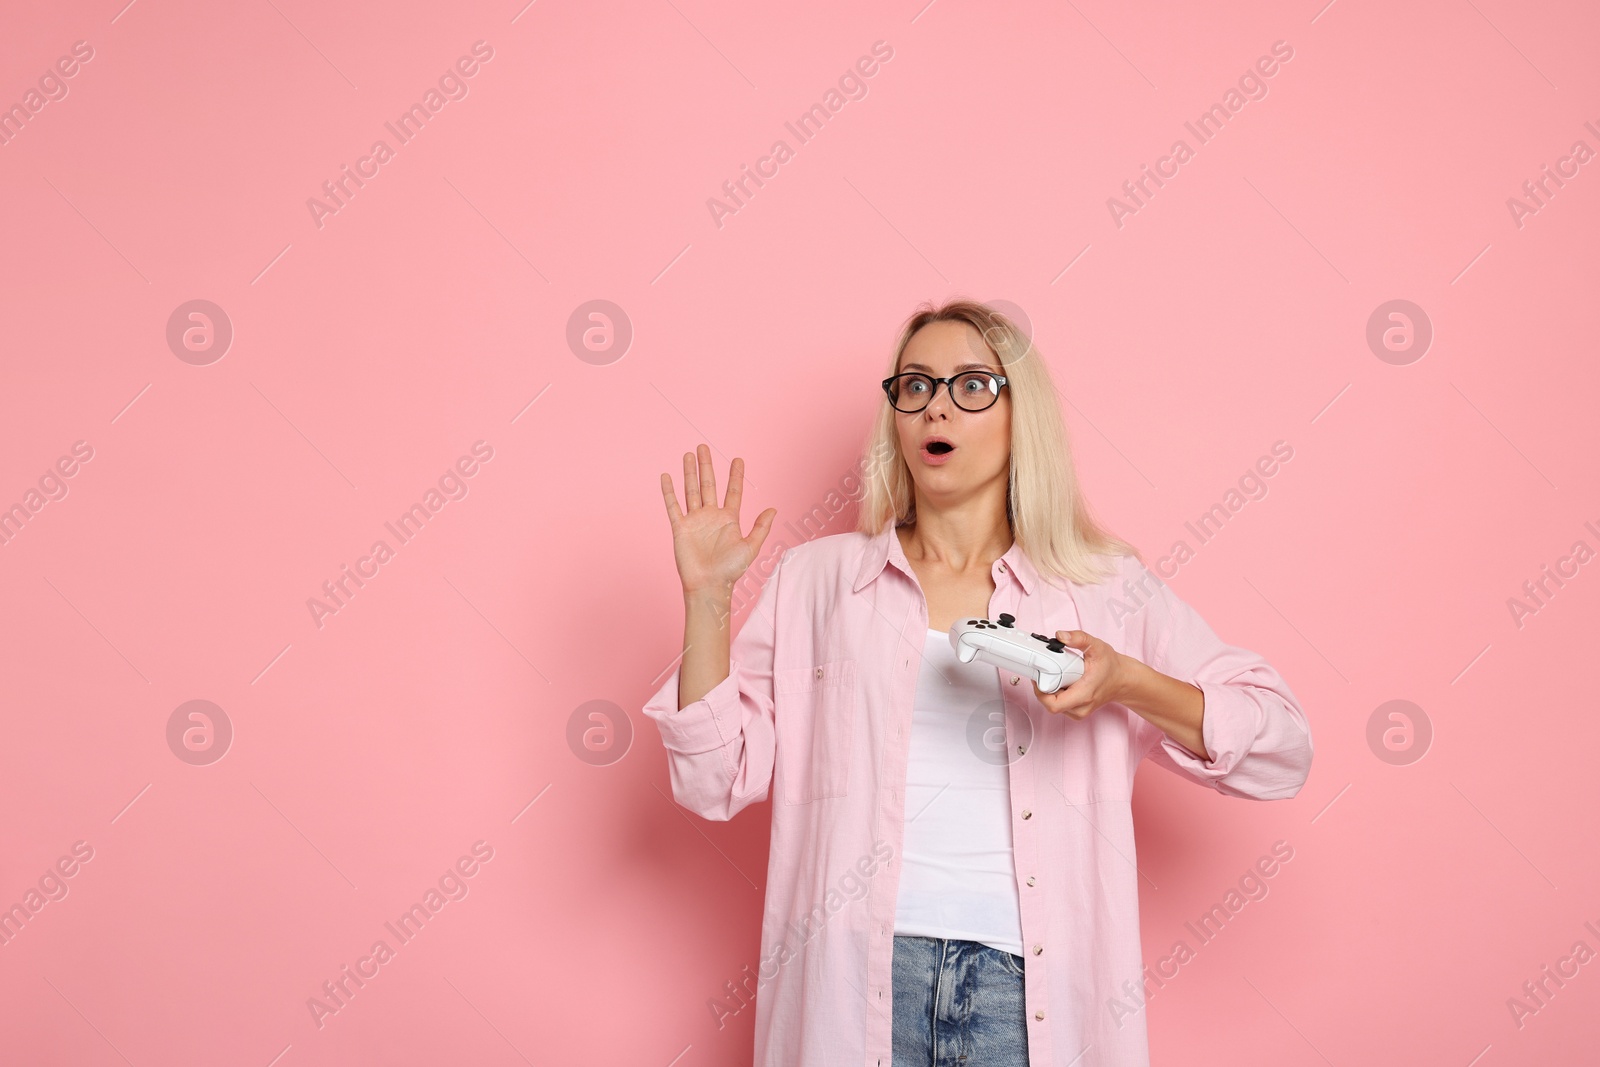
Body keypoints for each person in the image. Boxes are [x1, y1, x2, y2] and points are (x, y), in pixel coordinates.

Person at [645, 299, 1313, 1067]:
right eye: (917, 385)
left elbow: (1282, 746)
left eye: (971, 386)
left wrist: (1127, 682)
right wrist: (706, 602)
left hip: (1027, 998)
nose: (937, 406)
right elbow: (711, 779)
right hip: (855, 985)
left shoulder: (1100, 589)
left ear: (1019, 413)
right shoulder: (818, 583)